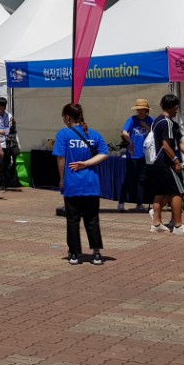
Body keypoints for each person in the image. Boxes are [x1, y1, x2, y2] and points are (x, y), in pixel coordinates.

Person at [53, 104, 109, 265]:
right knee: (92, 220)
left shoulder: (63, 134)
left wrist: (62, 179)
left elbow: (61, 159)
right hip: (91, 183)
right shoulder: (94, 134)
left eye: (63, 117)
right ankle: (96, 253)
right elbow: (104, 153)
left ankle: (74, 254)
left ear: (67, 117)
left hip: (72, 183)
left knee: (73, 220)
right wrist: (87, 163)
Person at [149, 94, 184, 234]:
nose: (177, 111)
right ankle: (178, 225)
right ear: (173, 107)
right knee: (178, 192)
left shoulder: (157, 121)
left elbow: (179, 143)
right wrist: (176, 161)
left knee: (160, 192)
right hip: (167, 163)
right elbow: (166, 145)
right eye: (176, 108)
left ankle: (156, 223)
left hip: (157, 162)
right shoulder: (167, 123)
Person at [119, 99, 154, 213]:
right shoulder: (132, 120)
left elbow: (155, 134)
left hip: (146, 155)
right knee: (129, 178)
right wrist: (130, 141)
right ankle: (121, 202)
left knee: (142, 180)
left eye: (142, 109)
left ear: (146, 110)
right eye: (138, 109)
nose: (140, 111)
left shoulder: (151, 120)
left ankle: (139, 203)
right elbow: (124, 132)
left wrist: (147, 127)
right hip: (133, 154)